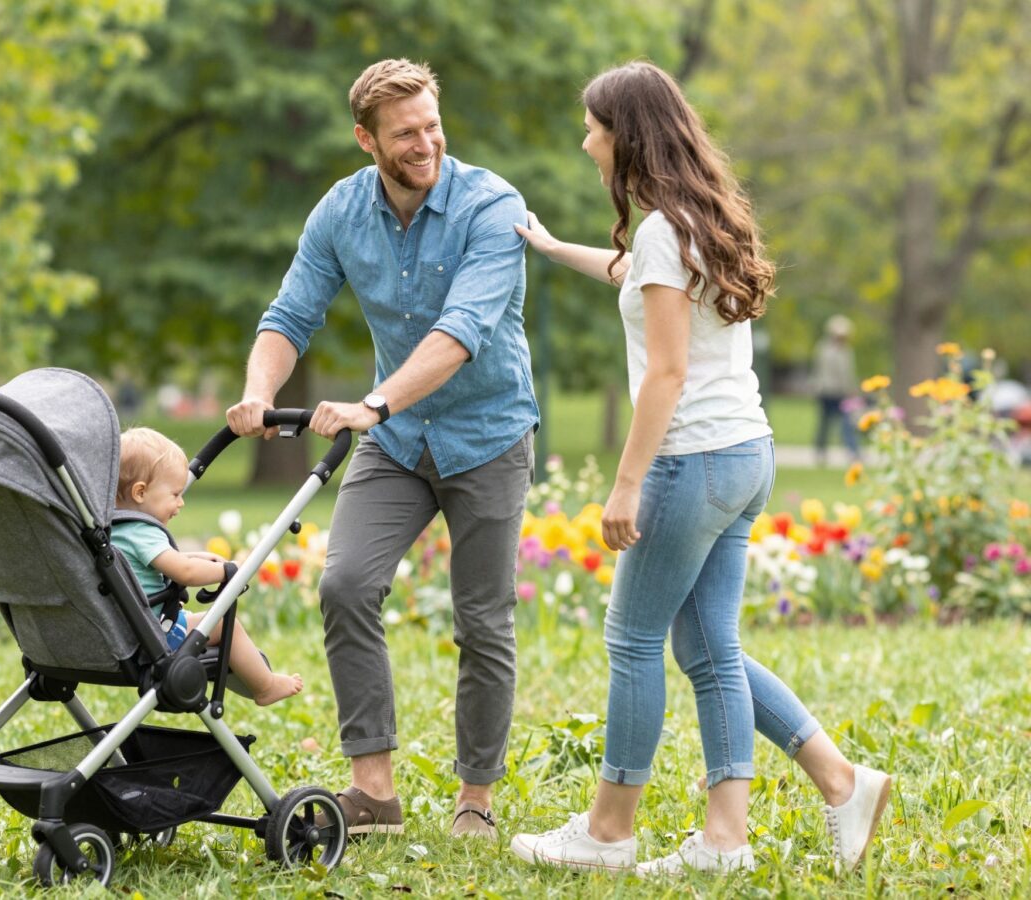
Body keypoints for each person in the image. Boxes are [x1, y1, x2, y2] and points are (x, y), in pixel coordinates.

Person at [508, 61, 890, 875]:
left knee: (634, 638)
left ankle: (608, 833)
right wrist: (547, 246)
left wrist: (625, 481)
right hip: (747, 453)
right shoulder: (703, 219)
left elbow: (666, 373)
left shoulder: (658, 230)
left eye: (593, 128)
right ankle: (808, 797)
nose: (585, 142)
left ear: (626, 136)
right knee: (712, 646)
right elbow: (636, 284)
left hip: (689, 461)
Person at [225, 58, 536, 840]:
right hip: (397, 442)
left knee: (482, 622)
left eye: (433, 125)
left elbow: (461, 334)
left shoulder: (491, 206)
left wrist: (373, 401)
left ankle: (475, 800)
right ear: (366, 139)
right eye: (405, 133)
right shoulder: (341, 212)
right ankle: (375, 792)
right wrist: (259, 391)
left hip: (488, 435)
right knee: (346, 586)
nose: (426, 142)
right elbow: (290, 314)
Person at [111, 427, 303, 707]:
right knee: (226, 625)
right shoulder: (143, 532)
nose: (181, 502)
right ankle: (266, 686)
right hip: (154, 637)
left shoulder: (113, 530)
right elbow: (184, 573)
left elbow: (158, 562)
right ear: (140, 492)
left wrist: (196, 556)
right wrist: (229, 570)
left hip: (122, 633)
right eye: (175, 494)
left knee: (199, 620)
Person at [811, 315, 862, 466]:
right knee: (826, 424)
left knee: (844, 424)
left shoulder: (842, 350)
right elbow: (840, 373)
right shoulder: (828, 350)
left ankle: (853, 452)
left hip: (840, 393)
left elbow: (847, 374)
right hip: (829, 393)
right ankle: (822, 452)